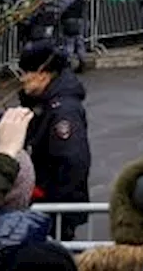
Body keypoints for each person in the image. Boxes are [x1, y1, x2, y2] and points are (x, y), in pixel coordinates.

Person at [18, 42, 91, 241]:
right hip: (45, 205)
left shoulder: (62, 111)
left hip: (53, 209)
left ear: (43, 74)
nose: (22, 79)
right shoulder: (43, 103)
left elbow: (71, 161)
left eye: (26, 72)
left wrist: (49, 202)